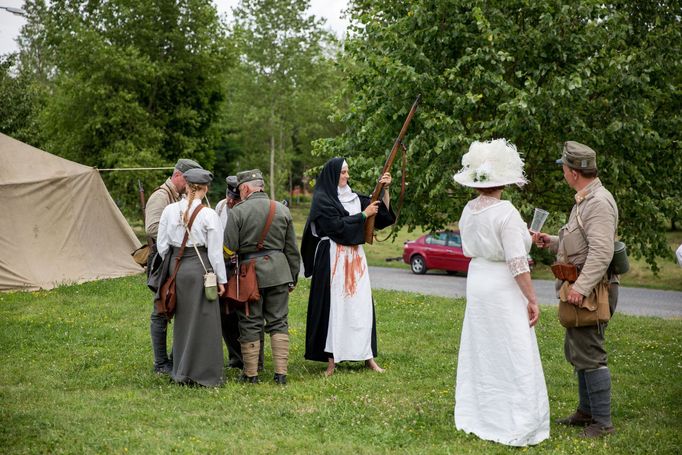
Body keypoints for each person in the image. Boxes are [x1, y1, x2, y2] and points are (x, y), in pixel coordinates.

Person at [452, 139, 549, 447]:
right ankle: (515, 418)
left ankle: (479, 412)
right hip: (501, 283)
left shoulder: (468, 210)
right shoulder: (506, 212)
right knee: (512, 346)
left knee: (483, 347)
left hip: (478, 279)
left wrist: (525, 237)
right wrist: (532, 299)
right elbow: (517, 263)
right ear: (503, 182)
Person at [533, 141, 619, 438]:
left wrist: (581, 288)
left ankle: (602, 422)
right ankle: (586, 411)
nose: (563, 172)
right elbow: (580, 243)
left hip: (594, 289)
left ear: (573, 172)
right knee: (578, 348)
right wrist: (553, 241)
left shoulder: (598, 203)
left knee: (590, 351)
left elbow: (601, 253)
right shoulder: (586, 198)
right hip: (584, 285)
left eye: (564, 168)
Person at [301, 158, 395, 377]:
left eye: (347, 172)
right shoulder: (323, 200)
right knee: (335, 307)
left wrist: (385, 191)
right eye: (343, 172)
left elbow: (381, 217)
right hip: (332, 256)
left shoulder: (354, 198)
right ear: (334, 175)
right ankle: (332, 359)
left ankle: (367, 356)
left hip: (354, 258)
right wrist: (363, 215)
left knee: (359, 305)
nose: (347, 176)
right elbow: (336, 227)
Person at [223, 169, 300, 385]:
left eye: (240, 189)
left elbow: (228, 249)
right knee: (279, 321)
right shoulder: (282, 210)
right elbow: (292, 250)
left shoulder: (237, 212)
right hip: (279, 273)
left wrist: (230, 268)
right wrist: (292, 277)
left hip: (250, 275)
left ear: (245, 188)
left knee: (250, 322)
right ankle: (281, 374)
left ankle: (251, 375)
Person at [156, 168, 227, 387]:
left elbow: (161, 246)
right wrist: (222, 280)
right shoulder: (209, 214)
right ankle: (203, 374)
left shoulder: (169, 210)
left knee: (183, 322)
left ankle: (181, 369)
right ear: (205, 188)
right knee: (206, 322)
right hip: (201, 270)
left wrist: (175, 265)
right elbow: (215, 252)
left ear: (186, 186)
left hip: (177, 269)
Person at [145, 158, 202, 375]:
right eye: (187, 180)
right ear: (178, 176)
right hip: (164, 259)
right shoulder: (160, 196)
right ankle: (161, 363)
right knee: (161, 308)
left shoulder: (177, 197)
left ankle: (175, 358)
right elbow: (151, 228)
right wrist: (179, 226)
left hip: (178, 259)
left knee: (181, 307)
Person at [215, 176, 265, 371]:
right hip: (224, 266)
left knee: (249, 315)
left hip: (246, 266)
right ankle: (236, 357)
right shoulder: (220, 207)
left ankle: (254, 360)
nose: (230, 201)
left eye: (234, 199)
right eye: (228, 196)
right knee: (225, 314)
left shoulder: (248, 209)